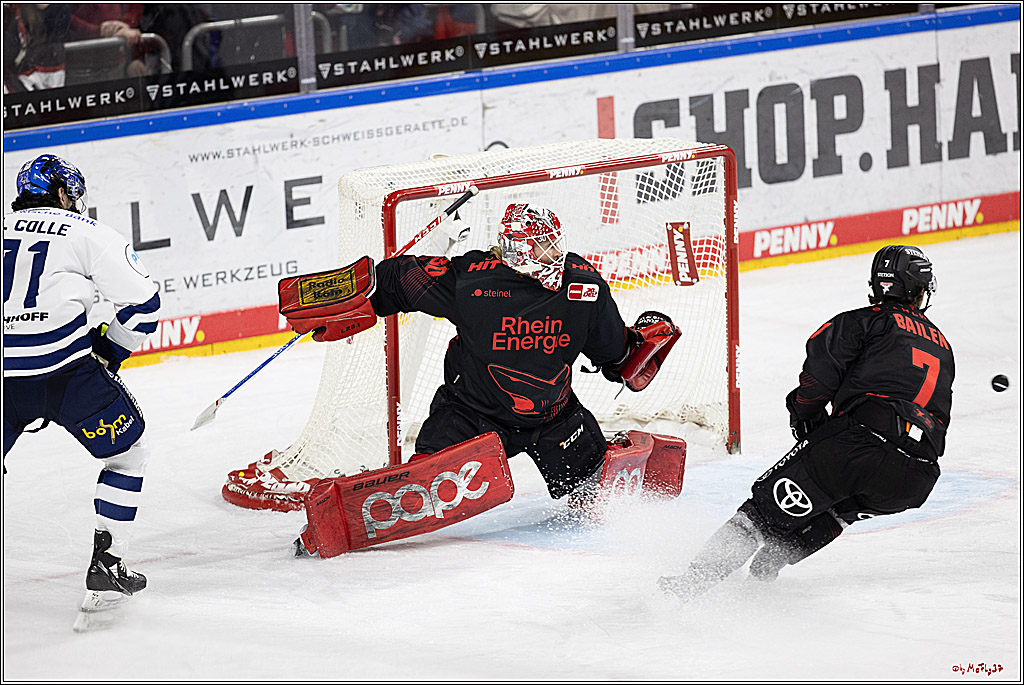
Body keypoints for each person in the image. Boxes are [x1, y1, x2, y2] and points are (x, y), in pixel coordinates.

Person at [285, 203, 677, 505]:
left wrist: (639, 348)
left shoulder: (583, 287)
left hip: (556, 419)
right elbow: (397, 279)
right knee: (422, 487)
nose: (554, 253)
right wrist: (349, 297)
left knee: (597, 496)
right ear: (518, 249)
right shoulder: (473, 280)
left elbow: (614, 353)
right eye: (543, 246)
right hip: (470, 416)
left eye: (554, 243)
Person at [660, 245, 953, 598]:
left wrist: (805, 417)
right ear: (918, 289)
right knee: (839, 512)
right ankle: (770, 566)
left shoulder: (860, 322)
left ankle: (687, 587)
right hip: (916, 476)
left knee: (760, 514)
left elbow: (817, 380)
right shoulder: (943, 346)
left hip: (856, 447)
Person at [3, 154, 161, 608]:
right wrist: (110, 351)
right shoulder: (86, 232)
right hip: (68, 375)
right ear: (60, 194)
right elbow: (145, 307)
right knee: (128, 455)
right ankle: (108, 564)